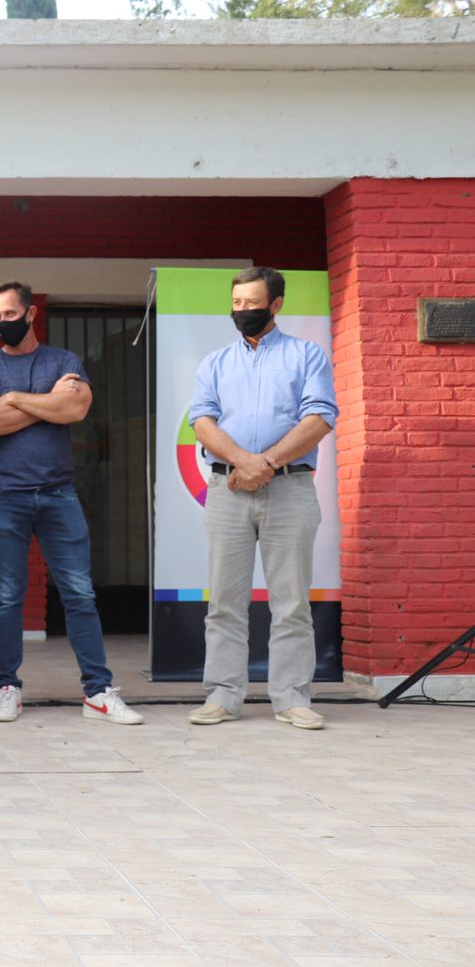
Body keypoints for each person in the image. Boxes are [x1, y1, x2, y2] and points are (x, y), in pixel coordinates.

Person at [0, 281, 143, 725]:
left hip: (59, 494)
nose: (1, 322)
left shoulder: (64, 360)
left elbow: (76, 410)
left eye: (9, 314)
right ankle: (7, 688)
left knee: (80, 593)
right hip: (5, 494)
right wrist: (49, 402)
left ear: (29, 314)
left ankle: (98, 693)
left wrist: (18, 399)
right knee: (9, 597)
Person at [187, 266, 337, 730]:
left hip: (289, 489)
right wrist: (243, 464)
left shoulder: (307, 356)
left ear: (275, 305)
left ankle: (291, 697)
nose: (243, 311)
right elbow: (202, 421)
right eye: (237, 304)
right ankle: (223, 695)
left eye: (252, 303)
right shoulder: (214, 363)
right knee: (224, 602)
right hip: (228, 490)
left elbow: (320, 417)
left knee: (290, 601)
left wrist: (265, 464)